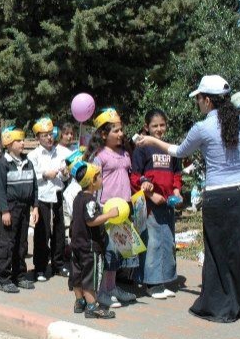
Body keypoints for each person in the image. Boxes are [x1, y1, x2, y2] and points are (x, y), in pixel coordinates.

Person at [137, 74, 240, 323]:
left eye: (198, 98)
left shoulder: (203, 127)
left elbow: (179, 151)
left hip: (220, 195)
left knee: (219, 250)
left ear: (207, 100)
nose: (197, 102)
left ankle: (222, 307)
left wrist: (152, 139)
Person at [86, 108, 138, 309]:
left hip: (124, 210)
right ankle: (102, 292)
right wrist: (97, 210)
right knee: (107, 251)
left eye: (121, 130)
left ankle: (112, 287)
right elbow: (93, 183)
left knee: (118, 251)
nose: (120, 134)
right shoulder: (99, 156)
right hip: (107, 210)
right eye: (115, 131)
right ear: (103, 134)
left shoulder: (125, 153)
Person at [130, 109, 182, 299]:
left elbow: (177, 174)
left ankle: (163, 280)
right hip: (150, 204)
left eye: (162, 125)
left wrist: (176, 191)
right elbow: (135, 177)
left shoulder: (171, 148)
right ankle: (151, 283)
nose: (159, 129)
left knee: (168, 241)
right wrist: (151, 196)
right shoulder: (142, 148)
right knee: (152, 242)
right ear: (146, 127)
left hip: (168, 203)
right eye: (154, 126)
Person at [69, 162, 119, 319]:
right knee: (91, 276)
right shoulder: (90, 200)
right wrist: (110, 214)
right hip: (90, 246)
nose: (101, 179)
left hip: (76, 244)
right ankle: (92, 306)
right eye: (99, 176)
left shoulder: (78, 198)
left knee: (76, 274)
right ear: (92, 181)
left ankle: (79, 301)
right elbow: (92, 220)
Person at [0, 126, 39, 293]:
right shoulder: (2, 164)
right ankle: (3, 278)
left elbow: (34, 187)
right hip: (10, 208)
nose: (22, 143)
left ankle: (19, 275)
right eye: (18, 140)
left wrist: (35, 207)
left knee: (22, 243)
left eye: (22, 140)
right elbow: (0, 189)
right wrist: (4, 210)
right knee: (7, 243)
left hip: (24, 207)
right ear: (8, 143)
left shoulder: (28, 163)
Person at [28, 117, 71, 281]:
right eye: (44, 135)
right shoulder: (34, 155)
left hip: (58, 194)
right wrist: (45, 174)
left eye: (51, 134)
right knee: (42, 233)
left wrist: (65, 174)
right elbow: (32, 176)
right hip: (42, 196)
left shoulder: (60, 152)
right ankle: (39, 267)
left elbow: (64, 176)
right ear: (38, 137)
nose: (49, 138)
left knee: (59, 232)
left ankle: (58, 264)